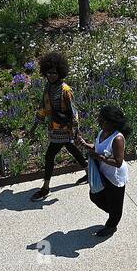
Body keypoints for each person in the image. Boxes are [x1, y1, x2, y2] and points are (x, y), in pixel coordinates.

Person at [30, 51, 89, 201]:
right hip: (54, 128)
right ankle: (90, 173)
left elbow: (73, 112)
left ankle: (45, 188)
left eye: (54, 73)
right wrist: (34, 126)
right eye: (49, 72)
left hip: (64, 130)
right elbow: (43, 108)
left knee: (49, 156)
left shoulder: (65, 90)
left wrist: (76, 131)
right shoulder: (48, 87)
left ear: (60, 73)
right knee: (72, 149)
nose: (51, 75)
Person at [76, 104, 129, 239]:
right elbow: (98, 147)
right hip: (104, 173)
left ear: (111, 122)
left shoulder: (117, 139)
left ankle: (111, 225)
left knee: (115, 203)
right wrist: (85, 145)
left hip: (115, 177)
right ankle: (113, 213)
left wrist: (98, 157)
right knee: (95, 196)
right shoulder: (102, 132)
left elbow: (118, 162)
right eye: (99, 119)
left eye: (102, 120)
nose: (99, 122)